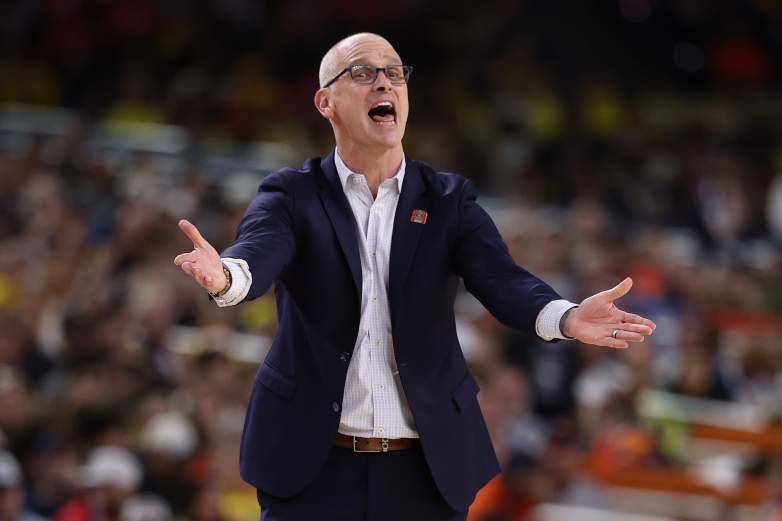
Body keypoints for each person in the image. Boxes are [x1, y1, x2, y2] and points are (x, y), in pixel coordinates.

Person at [173, 32, 656, 521]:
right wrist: (226, 278)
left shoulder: (448, 200)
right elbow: (259, 252)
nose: (385, 83)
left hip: (424, 470)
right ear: (325, 102)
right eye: (363, 73)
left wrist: (566, 317)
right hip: (310, 464)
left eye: (394, 73)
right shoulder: (292, 194)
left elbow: (501, 278)